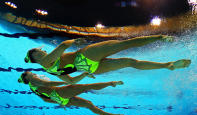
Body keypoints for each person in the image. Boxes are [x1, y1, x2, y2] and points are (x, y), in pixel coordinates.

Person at [24, 35, 191, 84]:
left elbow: (71, 82)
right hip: (86, 56)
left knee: (131, 63)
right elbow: (62, 46)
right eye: (38, 54)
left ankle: (168, 65)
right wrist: (74, 41)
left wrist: (84, 75)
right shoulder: (46, 62)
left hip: (91, 68)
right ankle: (160, 37)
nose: (41, 54)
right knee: (125, 44)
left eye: (39, 52)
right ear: (36, 60)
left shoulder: (50, 70)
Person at [18, 71, 124, 115]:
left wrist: (59, 102)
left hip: (60, 99)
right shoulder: (33, 80)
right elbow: (48, 84)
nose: (31, 73)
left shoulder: (32, 88)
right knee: (85, 86)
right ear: (27, 78)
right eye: (29, 73)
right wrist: (64, 83)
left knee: (88, 104)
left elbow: (45, 100)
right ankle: (111, 83)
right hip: (59, 92)